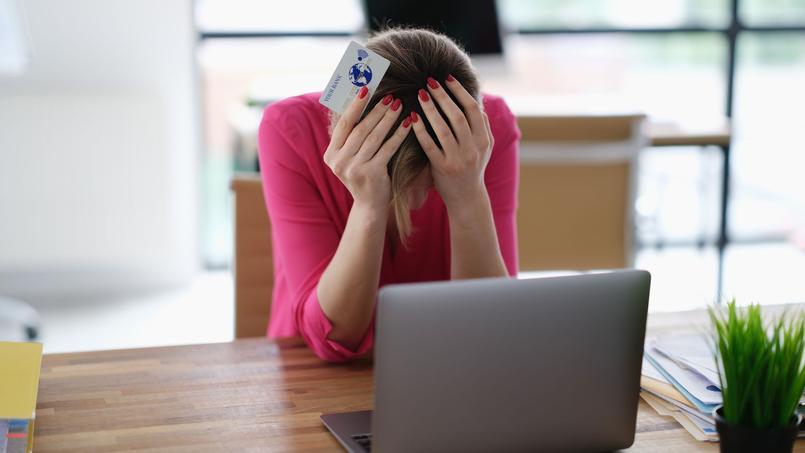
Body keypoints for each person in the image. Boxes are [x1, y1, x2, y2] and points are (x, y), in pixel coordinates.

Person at [258, 28, 521, 362]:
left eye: (428, 184)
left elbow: (492, 329)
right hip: (312, 375)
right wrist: (369, 205)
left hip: (446, 364)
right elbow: (335, 337)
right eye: (403, 187)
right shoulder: (289, 126)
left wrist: (467, 194)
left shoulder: (483, 131)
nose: (416, 205)